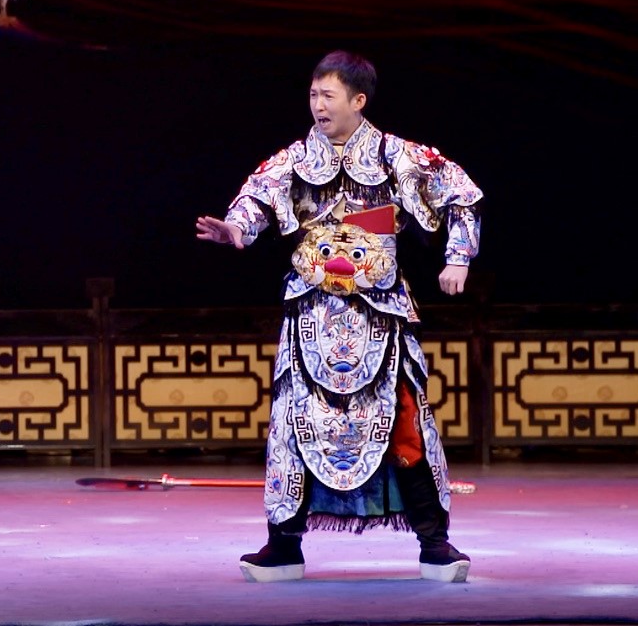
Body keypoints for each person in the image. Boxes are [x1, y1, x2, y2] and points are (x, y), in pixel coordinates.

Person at [195, 51, 482, 583]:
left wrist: (458, 256)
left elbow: (462, 197)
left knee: (405, 425)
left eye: (328, 95)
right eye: (312, 94)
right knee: (293, 425)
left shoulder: (399, 157)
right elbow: (254, 203)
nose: (318, 104)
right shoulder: (293, 160)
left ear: (358, 100)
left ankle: (434, 543)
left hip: (380, 316)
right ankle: (283, 545)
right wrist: (234, 232)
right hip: (311, 316)